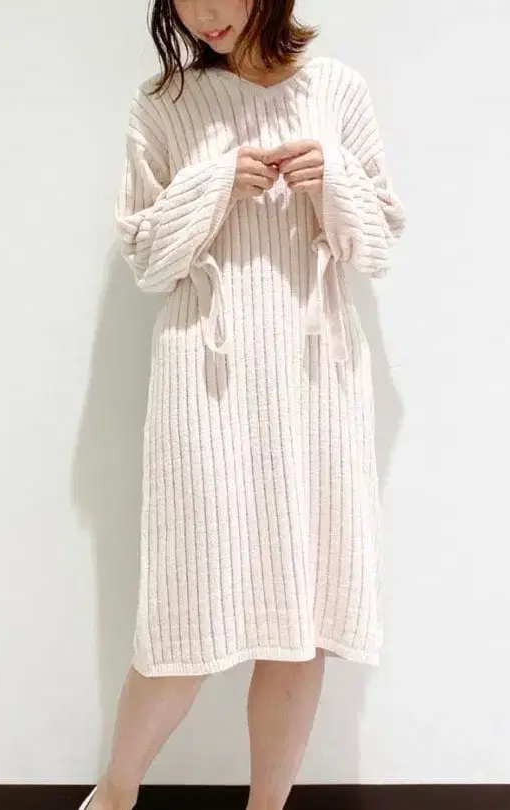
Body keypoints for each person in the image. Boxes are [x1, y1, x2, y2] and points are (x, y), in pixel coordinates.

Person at [84, 1, 405, 808]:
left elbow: (379, 245)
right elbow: (148, 260)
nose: (204, 14)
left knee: (303, 618)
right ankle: (114, 794)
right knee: (185, 613)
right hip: (206, 386)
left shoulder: (337, 90)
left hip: (315, 388)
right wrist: (213, 182)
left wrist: (334, 177)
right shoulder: (164, 105)